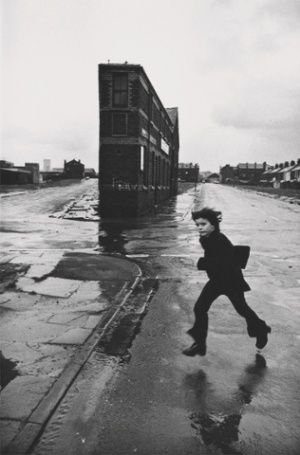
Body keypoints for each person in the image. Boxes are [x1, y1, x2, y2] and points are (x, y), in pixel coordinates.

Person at [183, 207, 271, 357]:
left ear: (213, 225)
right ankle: (200, 344)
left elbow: (224, 261)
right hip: (217, 280)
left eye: (203, 224)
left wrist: (201, 263)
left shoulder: (219, 239)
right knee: (200, 308)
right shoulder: (205, 238)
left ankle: (261, 329)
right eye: (197, 225)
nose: (199, 228)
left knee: (242, 309)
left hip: (231, 280)